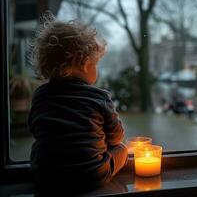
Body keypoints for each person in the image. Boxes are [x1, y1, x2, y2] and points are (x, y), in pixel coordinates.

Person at [28, 13, 128, 192]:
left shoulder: (40, 95)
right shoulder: (99, 97)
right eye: (96, 64)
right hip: (90, 175)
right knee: (121, 148)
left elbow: (36, 129)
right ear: (84, 63)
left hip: (46, 177)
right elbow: (117, 137)